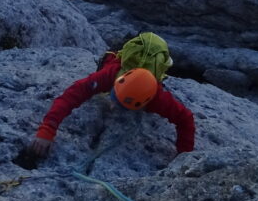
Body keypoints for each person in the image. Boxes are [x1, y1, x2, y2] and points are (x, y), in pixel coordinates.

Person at [15, 32, 195, 168]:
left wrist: (183, 157)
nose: (115, 106)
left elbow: (185, 119)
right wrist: (47, 130)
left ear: (146, 102)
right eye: (115, 97)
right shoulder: (108, 74)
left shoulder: (158, 98)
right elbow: (71, 95)